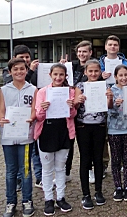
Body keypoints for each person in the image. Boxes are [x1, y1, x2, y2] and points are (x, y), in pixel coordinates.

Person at [34, 63, 78, 215]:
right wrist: (42, 108)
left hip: (64, 132)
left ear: (65, 76)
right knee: (47, 169)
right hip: (46, 132)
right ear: (50, 75)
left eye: (61, 75)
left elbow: (72, 115)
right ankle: (48, 199)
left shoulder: (69, 92)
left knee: (60, 168)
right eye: (55, 74)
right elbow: (38, 117)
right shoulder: (42, 92)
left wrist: (71, 106)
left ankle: (60, 197)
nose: (58, 77)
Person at [0, 58, 37, 217]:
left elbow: (34, 110)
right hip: (8, 136)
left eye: (22, 69)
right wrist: (1, 119)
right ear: (10, 72)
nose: (19, 72)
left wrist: (32, 118)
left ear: (26, 70)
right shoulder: (4, 90)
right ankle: (10, 202)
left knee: (26, 170)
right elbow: (1, 110)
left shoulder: (33, 89)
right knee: (11, 170)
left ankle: (27, 201)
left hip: (26, 137)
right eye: (15, 69)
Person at [2, 45, 42, 190]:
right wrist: (30, 70)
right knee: (16, 161)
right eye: (21, 57)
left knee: (34, 153)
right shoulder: (8, 76)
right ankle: (18, 183)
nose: (25, 60)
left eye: (27, 57)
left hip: (31, 122)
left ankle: (39, 178)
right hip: (13, 126)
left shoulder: (36, 73)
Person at [74, 60, 112, 209]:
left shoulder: (105, 86)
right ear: (85, 72)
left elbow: (108, 107)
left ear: (100, 72)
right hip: (83, 126)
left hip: (100, 126)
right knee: (85, 159)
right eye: (90, 71)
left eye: (96, 71)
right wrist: (78, 100)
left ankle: (98, 191)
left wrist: (109, 97)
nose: (93, 74)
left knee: (98, 159)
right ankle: (85, 194)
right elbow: (75, 105)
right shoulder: (80, 86)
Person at [107, 64, 127, 202]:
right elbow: (108, 112)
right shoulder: (110, 91)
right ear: (115, 77)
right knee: (116, 159)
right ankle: (118, 187)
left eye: (126, 75)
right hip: (114, 130)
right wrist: (114, 105)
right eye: (120, 75)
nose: (124, 78)